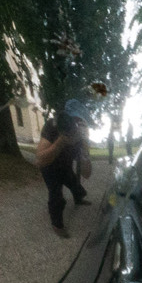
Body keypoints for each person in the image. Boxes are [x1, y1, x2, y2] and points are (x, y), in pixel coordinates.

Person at [37, 100, 93, 234]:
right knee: (56, 196)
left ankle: (78, 198)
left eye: (79, 122)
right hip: (49, 166)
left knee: (75, 184)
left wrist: (85, 152)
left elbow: (86, 174)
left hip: (65, 166)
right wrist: (60, 142)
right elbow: (40, 159)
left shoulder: (81, 138)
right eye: (72, 120)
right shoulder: (53, 126)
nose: (74, 126)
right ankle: (57, 225)